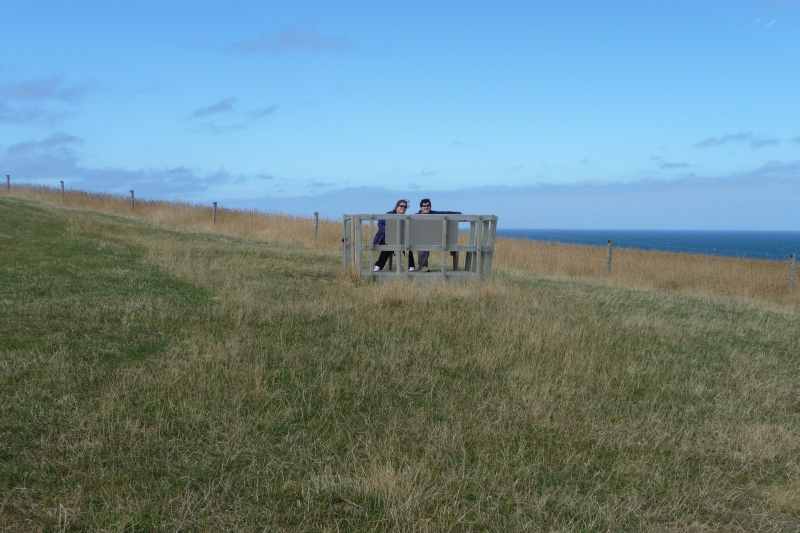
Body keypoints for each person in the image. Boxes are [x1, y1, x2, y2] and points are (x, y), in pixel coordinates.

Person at [416, 198, 461, 271]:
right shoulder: (416, 216)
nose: (426, 207)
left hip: (438, 240)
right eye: (424, 206)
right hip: (423, 241)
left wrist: (458, 214)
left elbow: (447, 213)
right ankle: (423, 267)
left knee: (454, 247)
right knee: (422, 246)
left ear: (430, 206)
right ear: (421, 207)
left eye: (428, 205)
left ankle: (455, 269)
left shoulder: (434, 214)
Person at [372, 199, 416, 272]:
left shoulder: (405, 218)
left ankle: (411, 266)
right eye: (401, 206)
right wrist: (392, 232)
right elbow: (381, 226)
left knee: (406, 245)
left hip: (400, 240)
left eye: (405, 207)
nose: (403, 208)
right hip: (385, 238)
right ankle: (378, 266)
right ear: (396, 206)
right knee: (389, 243)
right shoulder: (388, 215)